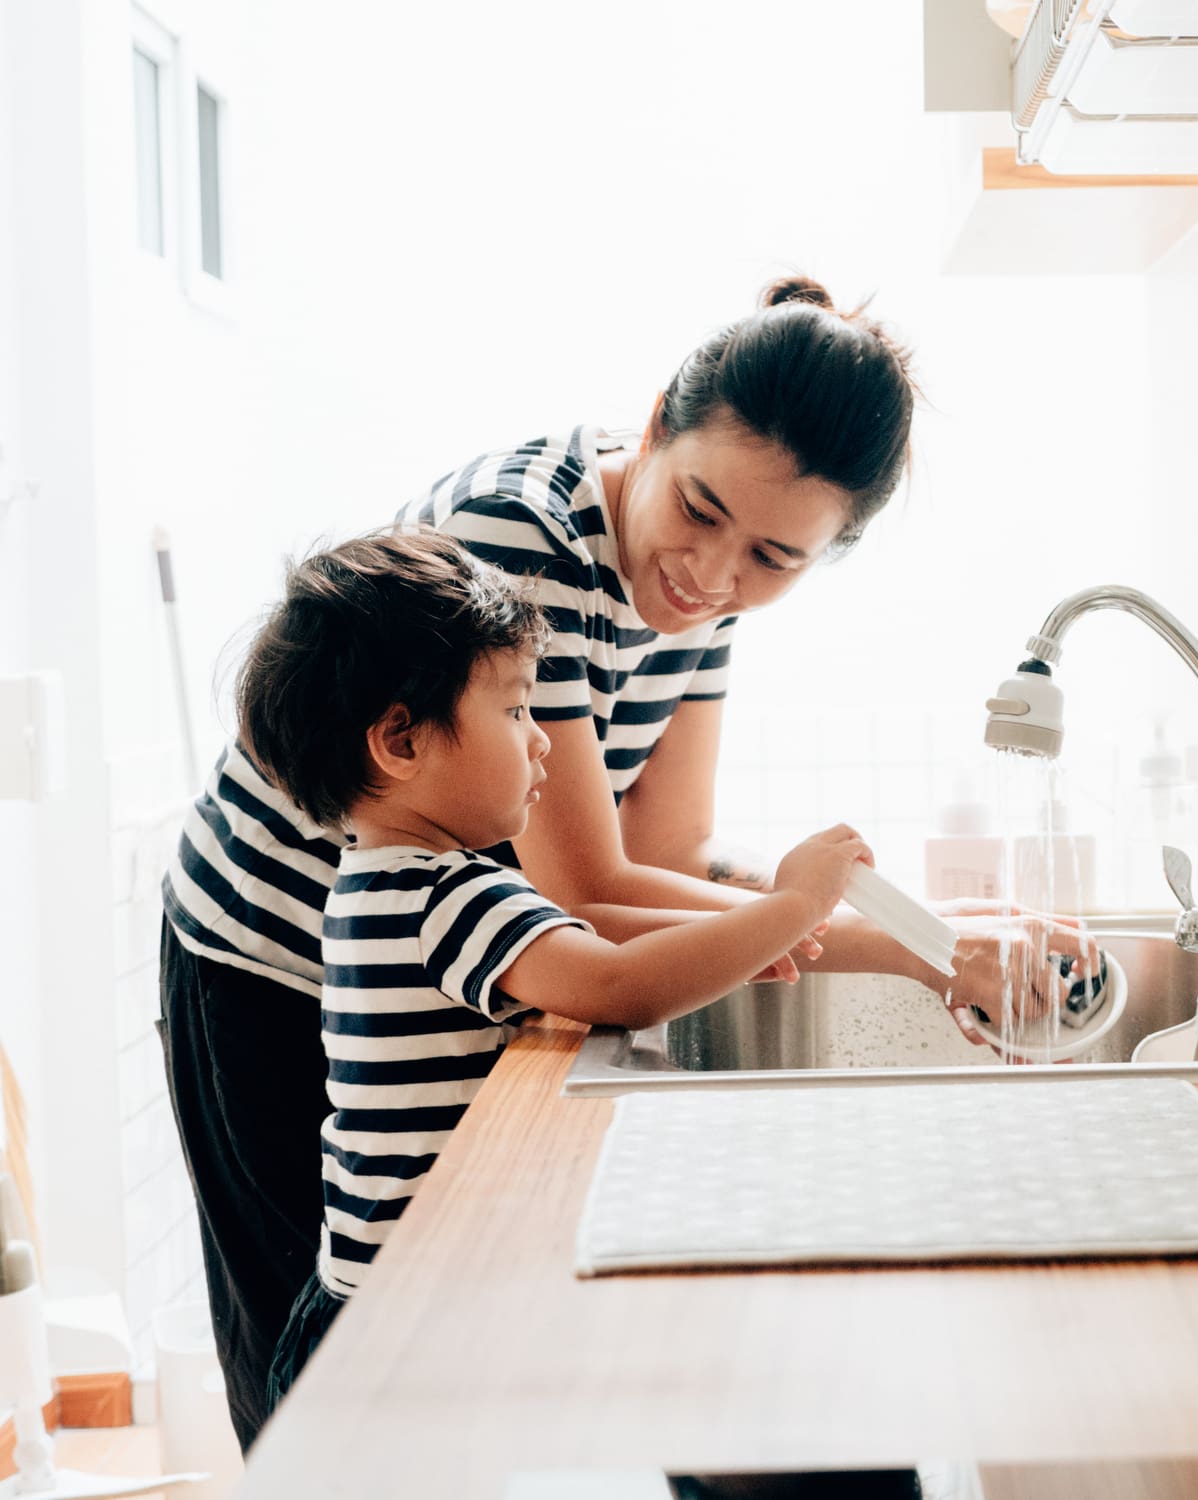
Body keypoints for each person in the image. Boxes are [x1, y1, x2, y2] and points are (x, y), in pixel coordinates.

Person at [159, 276, 1091, 1449]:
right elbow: (588, 899)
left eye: (771, 556)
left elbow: (668, 853)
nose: (711, 575)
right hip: (275, 955)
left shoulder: (710, 599)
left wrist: (911, 926)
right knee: (311, 1411)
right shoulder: (522, 542)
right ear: (652, 423)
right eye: (697, 509)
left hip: (449, 964)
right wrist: (907, 951)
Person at [241, 530, 875, 1407]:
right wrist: (793, 905)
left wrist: (741, 949)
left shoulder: (376, 881)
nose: (542, 742)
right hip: (405, 1329)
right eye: (512, 711)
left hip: (362, 1301)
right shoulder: (448, 897)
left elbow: (599, 957)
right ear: (400, 740)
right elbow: (617, 981)